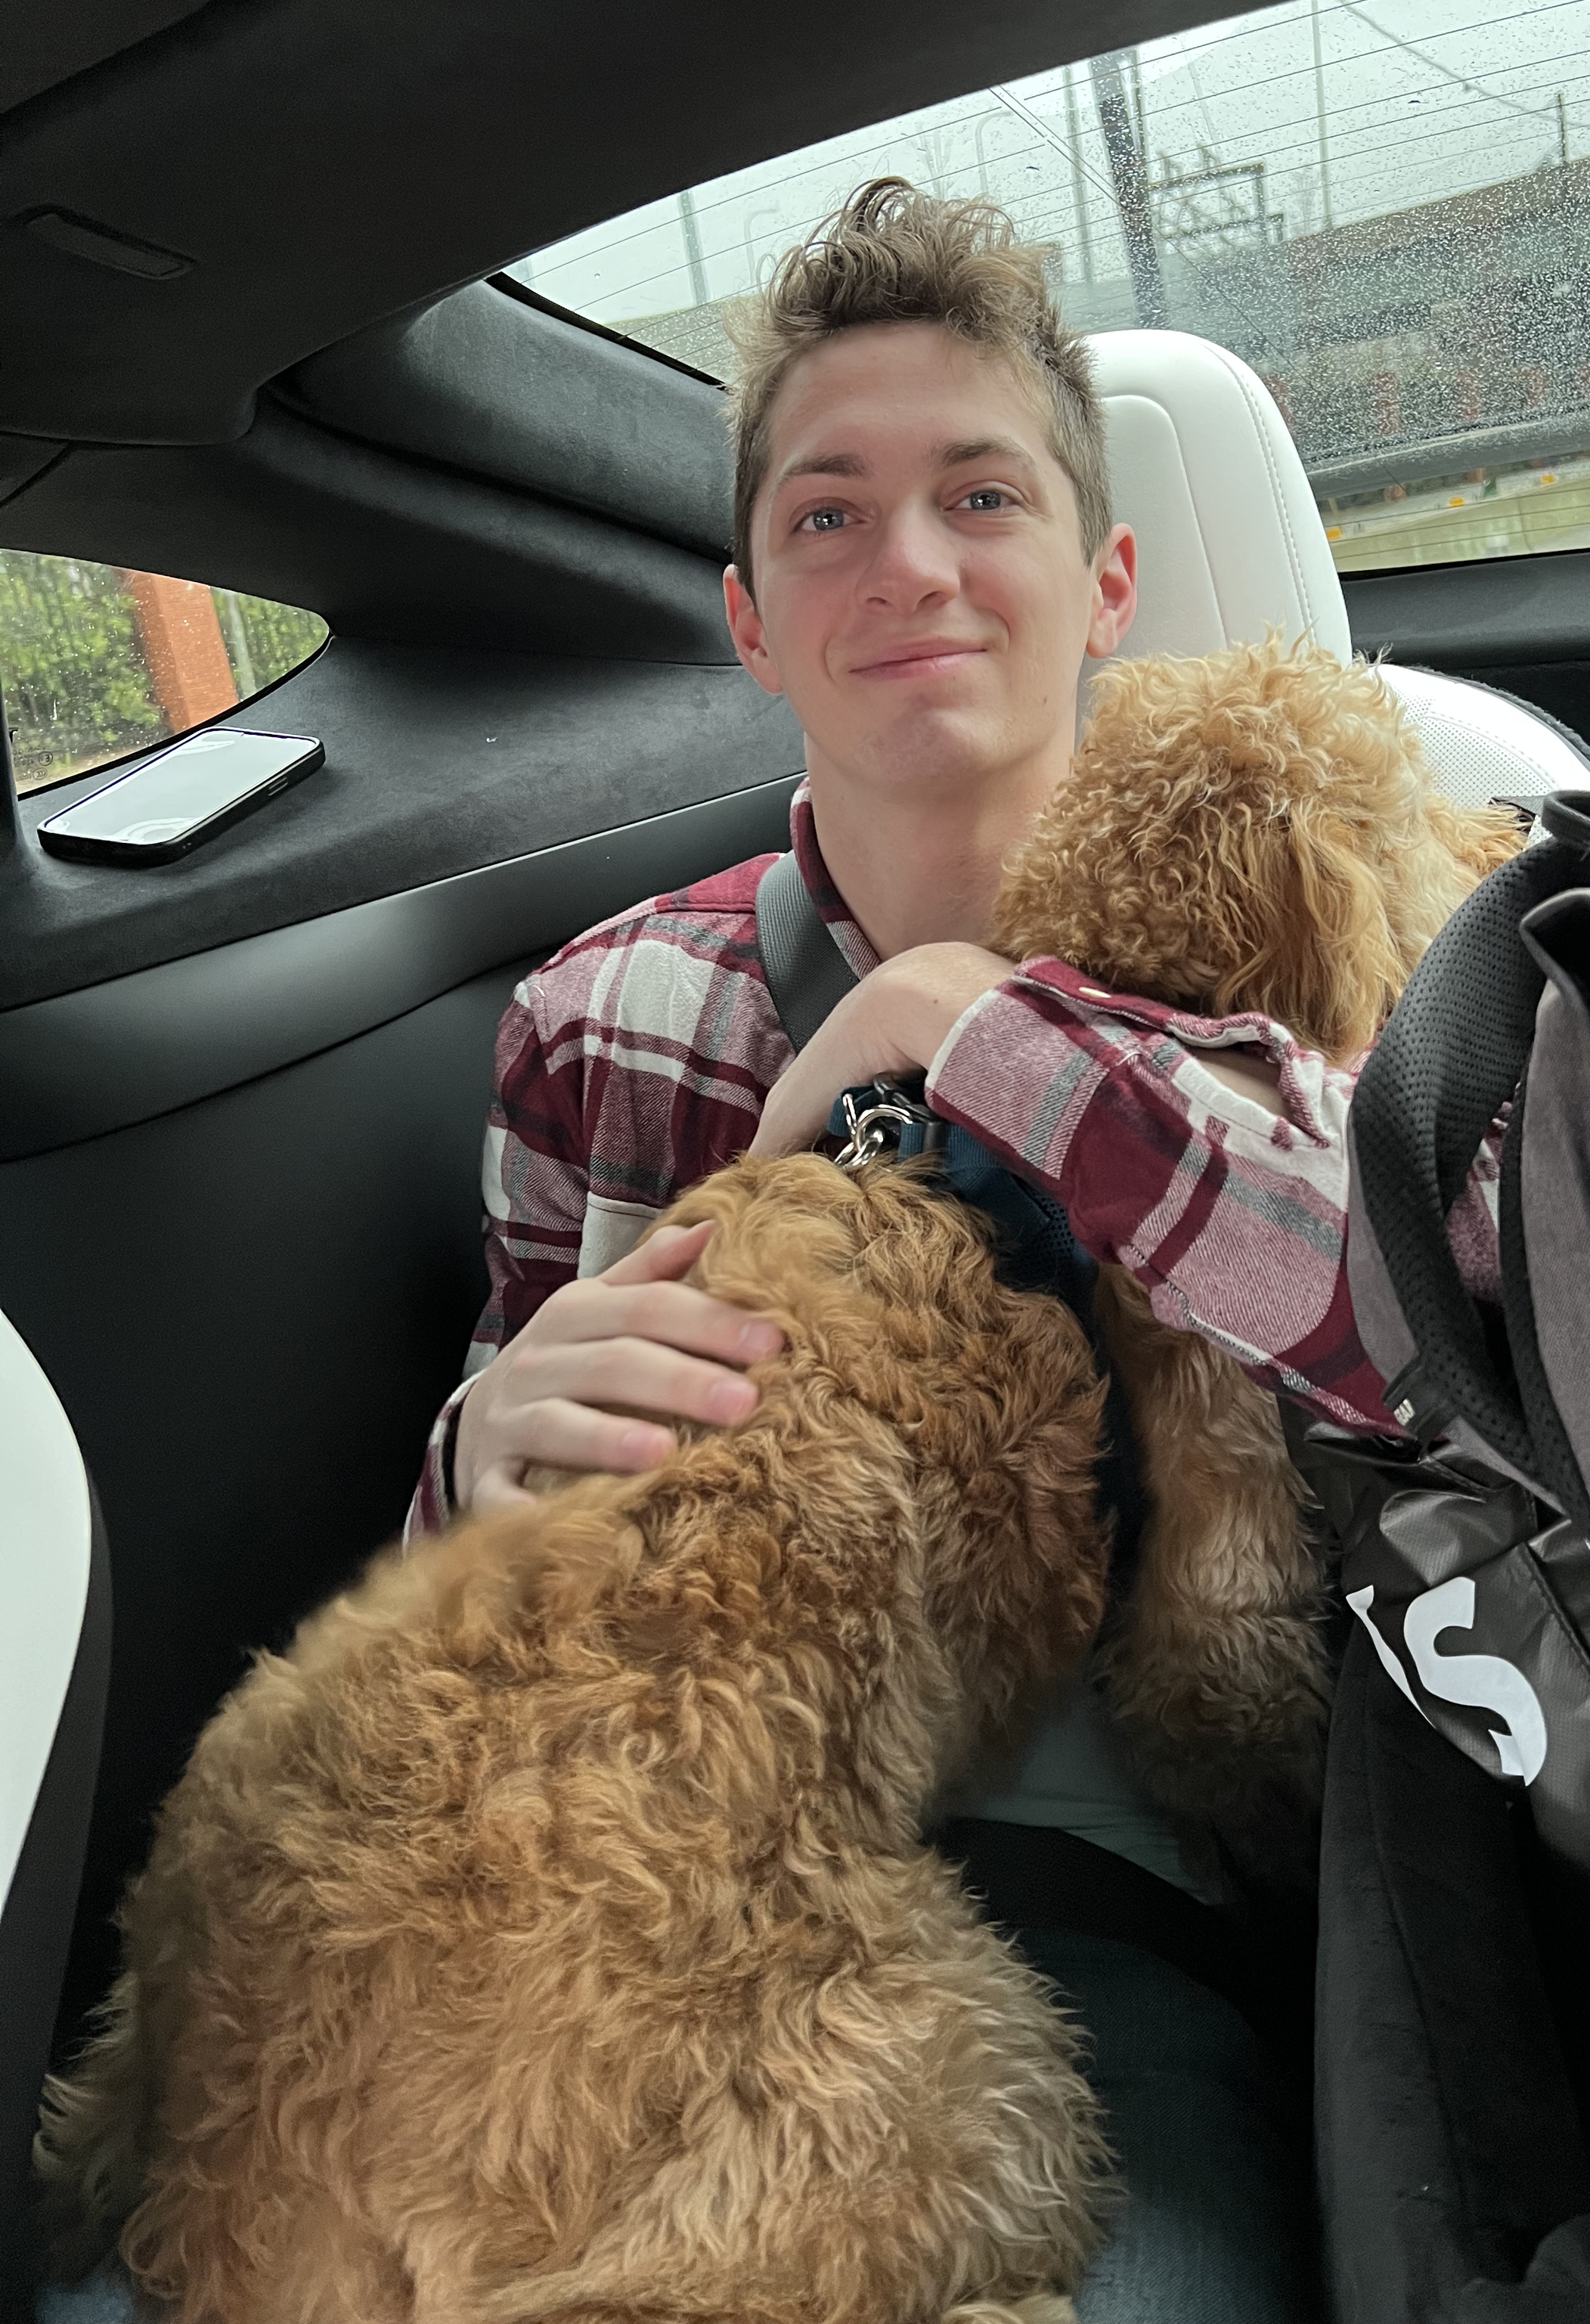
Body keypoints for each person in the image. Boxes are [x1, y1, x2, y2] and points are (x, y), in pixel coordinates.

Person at [406, 178, 1450, 2319]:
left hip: (1115, 1927)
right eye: (826, 515)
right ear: (747, 619)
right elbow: (450, 1596)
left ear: (1106, 581)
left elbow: (1428, 1367)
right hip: (650, 1883)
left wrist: (968, 1032)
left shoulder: (1328, 941)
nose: (908, 564)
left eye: (981, 494)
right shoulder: (603, 1015)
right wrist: (471, 1466)